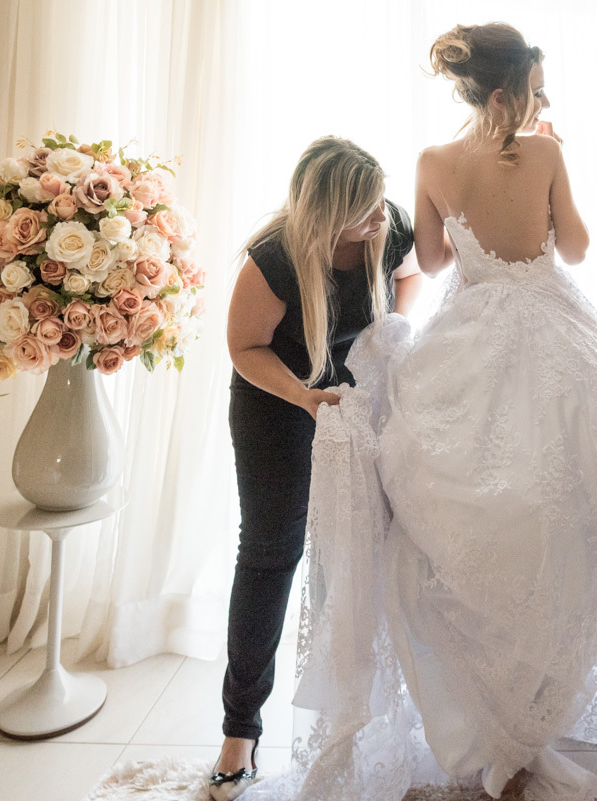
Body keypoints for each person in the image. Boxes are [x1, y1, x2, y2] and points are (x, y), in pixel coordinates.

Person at [250, 23, 597, 801]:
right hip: (559, 335)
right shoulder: (547, 152)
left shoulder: (433, 162)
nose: (541, 104)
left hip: (471, 331)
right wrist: (548, 194)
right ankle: (530, 705)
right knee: (559, 515)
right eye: (536, 90)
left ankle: (483, 708)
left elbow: (440, 262)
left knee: (457, 521)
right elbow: (576, 249)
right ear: (505, 93)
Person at [213, 136, 421, 801]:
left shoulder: (388, 226)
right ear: (326, 214)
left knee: (371, 546)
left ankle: (364, 716)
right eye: (363, 213)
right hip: (277, 404)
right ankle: (239, 730)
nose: (379, 220)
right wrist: (305, 396)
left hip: (356, 403)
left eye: (379, 205)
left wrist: (378, 348)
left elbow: (411, 275)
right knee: (272, 550)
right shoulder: (272, 258)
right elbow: (243, 347)